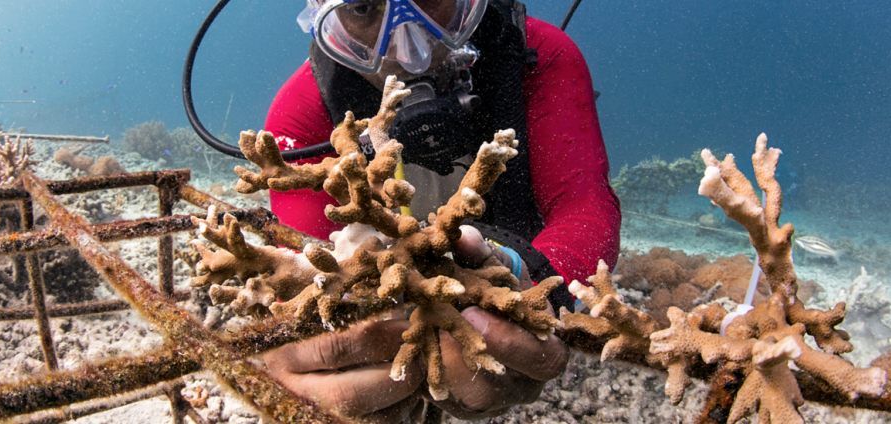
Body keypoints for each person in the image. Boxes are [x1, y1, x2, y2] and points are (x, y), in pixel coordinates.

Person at [259, 0, 621, 421]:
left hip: (515, 245)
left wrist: (536, 285)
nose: (411, 54)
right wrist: (306, 339)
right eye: (361, 9)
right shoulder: (300, 109)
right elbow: (304, 259)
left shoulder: (542, 54)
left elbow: (584, 206)